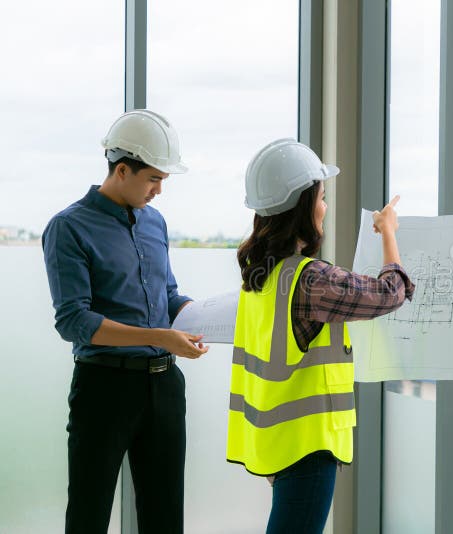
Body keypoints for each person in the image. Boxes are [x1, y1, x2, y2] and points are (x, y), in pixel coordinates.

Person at [227, 138, 414, 533]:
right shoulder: (310, 279)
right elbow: (389, 293)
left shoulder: (260, 275)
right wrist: (389, 233)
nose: (325, 207)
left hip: (276, 445)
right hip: (309, 450)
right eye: (322, 197)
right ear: (303, 206)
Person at [42, 109, 209, 534]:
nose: (158, 191)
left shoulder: (155, 223)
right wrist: (162, 337)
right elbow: (73, 321)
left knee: (165, 517)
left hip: (165, 387)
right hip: (104, 390)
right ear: (121, 169)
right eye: (154, 179)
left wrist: (210, 316)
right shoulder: (68, 228)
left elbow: (167, 295)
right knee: (88, 515)